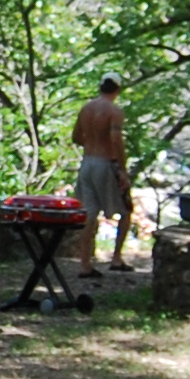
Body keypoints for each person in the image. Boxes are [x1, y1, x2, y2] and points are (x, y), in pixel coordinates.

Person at [72, 77, 137, 271]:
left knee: (89, 213)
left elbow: (76, 136)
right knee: (126, 210)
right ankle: (116, 258)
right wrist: (122, 169)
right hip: (106, 163)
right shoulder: (114, 111)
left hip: (87, 163)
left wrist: (92, 145)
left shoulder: (86, 108)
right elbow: (115, 139)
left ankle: (85, 264)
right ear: (117, 89)